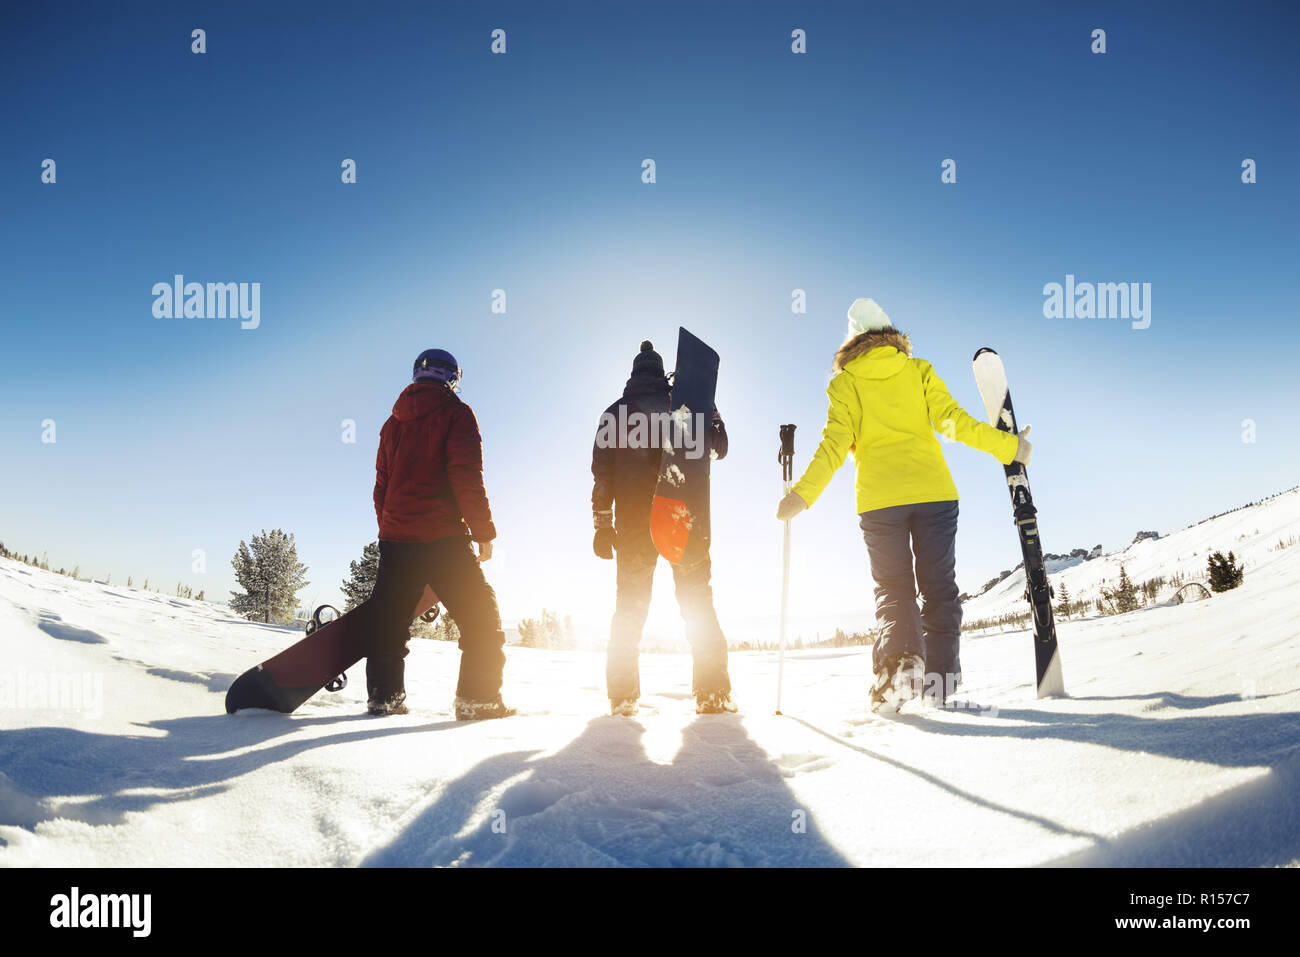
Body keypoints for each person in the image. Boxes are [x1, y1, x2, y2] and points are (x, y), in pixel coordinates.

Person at [776, 299, 1032, 713]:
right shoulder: (918, 371)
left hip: (880, 502)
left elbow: (834, 447)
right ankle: (941, 687)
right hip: (934, 493)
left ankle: (899, 666)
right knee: (940, 591)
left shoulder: (845, 384)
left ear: (852, 340)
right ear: (890, 333)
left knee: (894, 590)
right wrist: (1010, 447)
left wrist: (801, 495)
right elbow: (955, 423)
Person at [365, 348, 513, 720]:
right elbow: (466, 476)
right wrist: (484, 530)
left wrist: (389, 527)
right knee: (481, 616)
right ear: (452, 378)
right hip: (443, 536)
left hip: (397, 539)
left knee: (389, 622)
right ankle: (478, 699)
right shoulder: (456, 413)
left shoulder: (392, 421)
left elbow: (381, 483)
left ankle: (384, 697)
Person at [591, 340, 735, 716]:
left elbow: (602, 477)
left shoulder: (614, 414)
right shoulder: (683, 408)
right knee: (697, 602)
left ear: (633, 375)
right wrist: (712, 414)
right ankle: (713, 692)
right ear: (661, 374)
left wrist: (602, 524)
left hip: (634, 526)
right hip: (680, 519)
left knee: (630, 609)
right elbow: (718, 447)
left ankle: (622, 698)